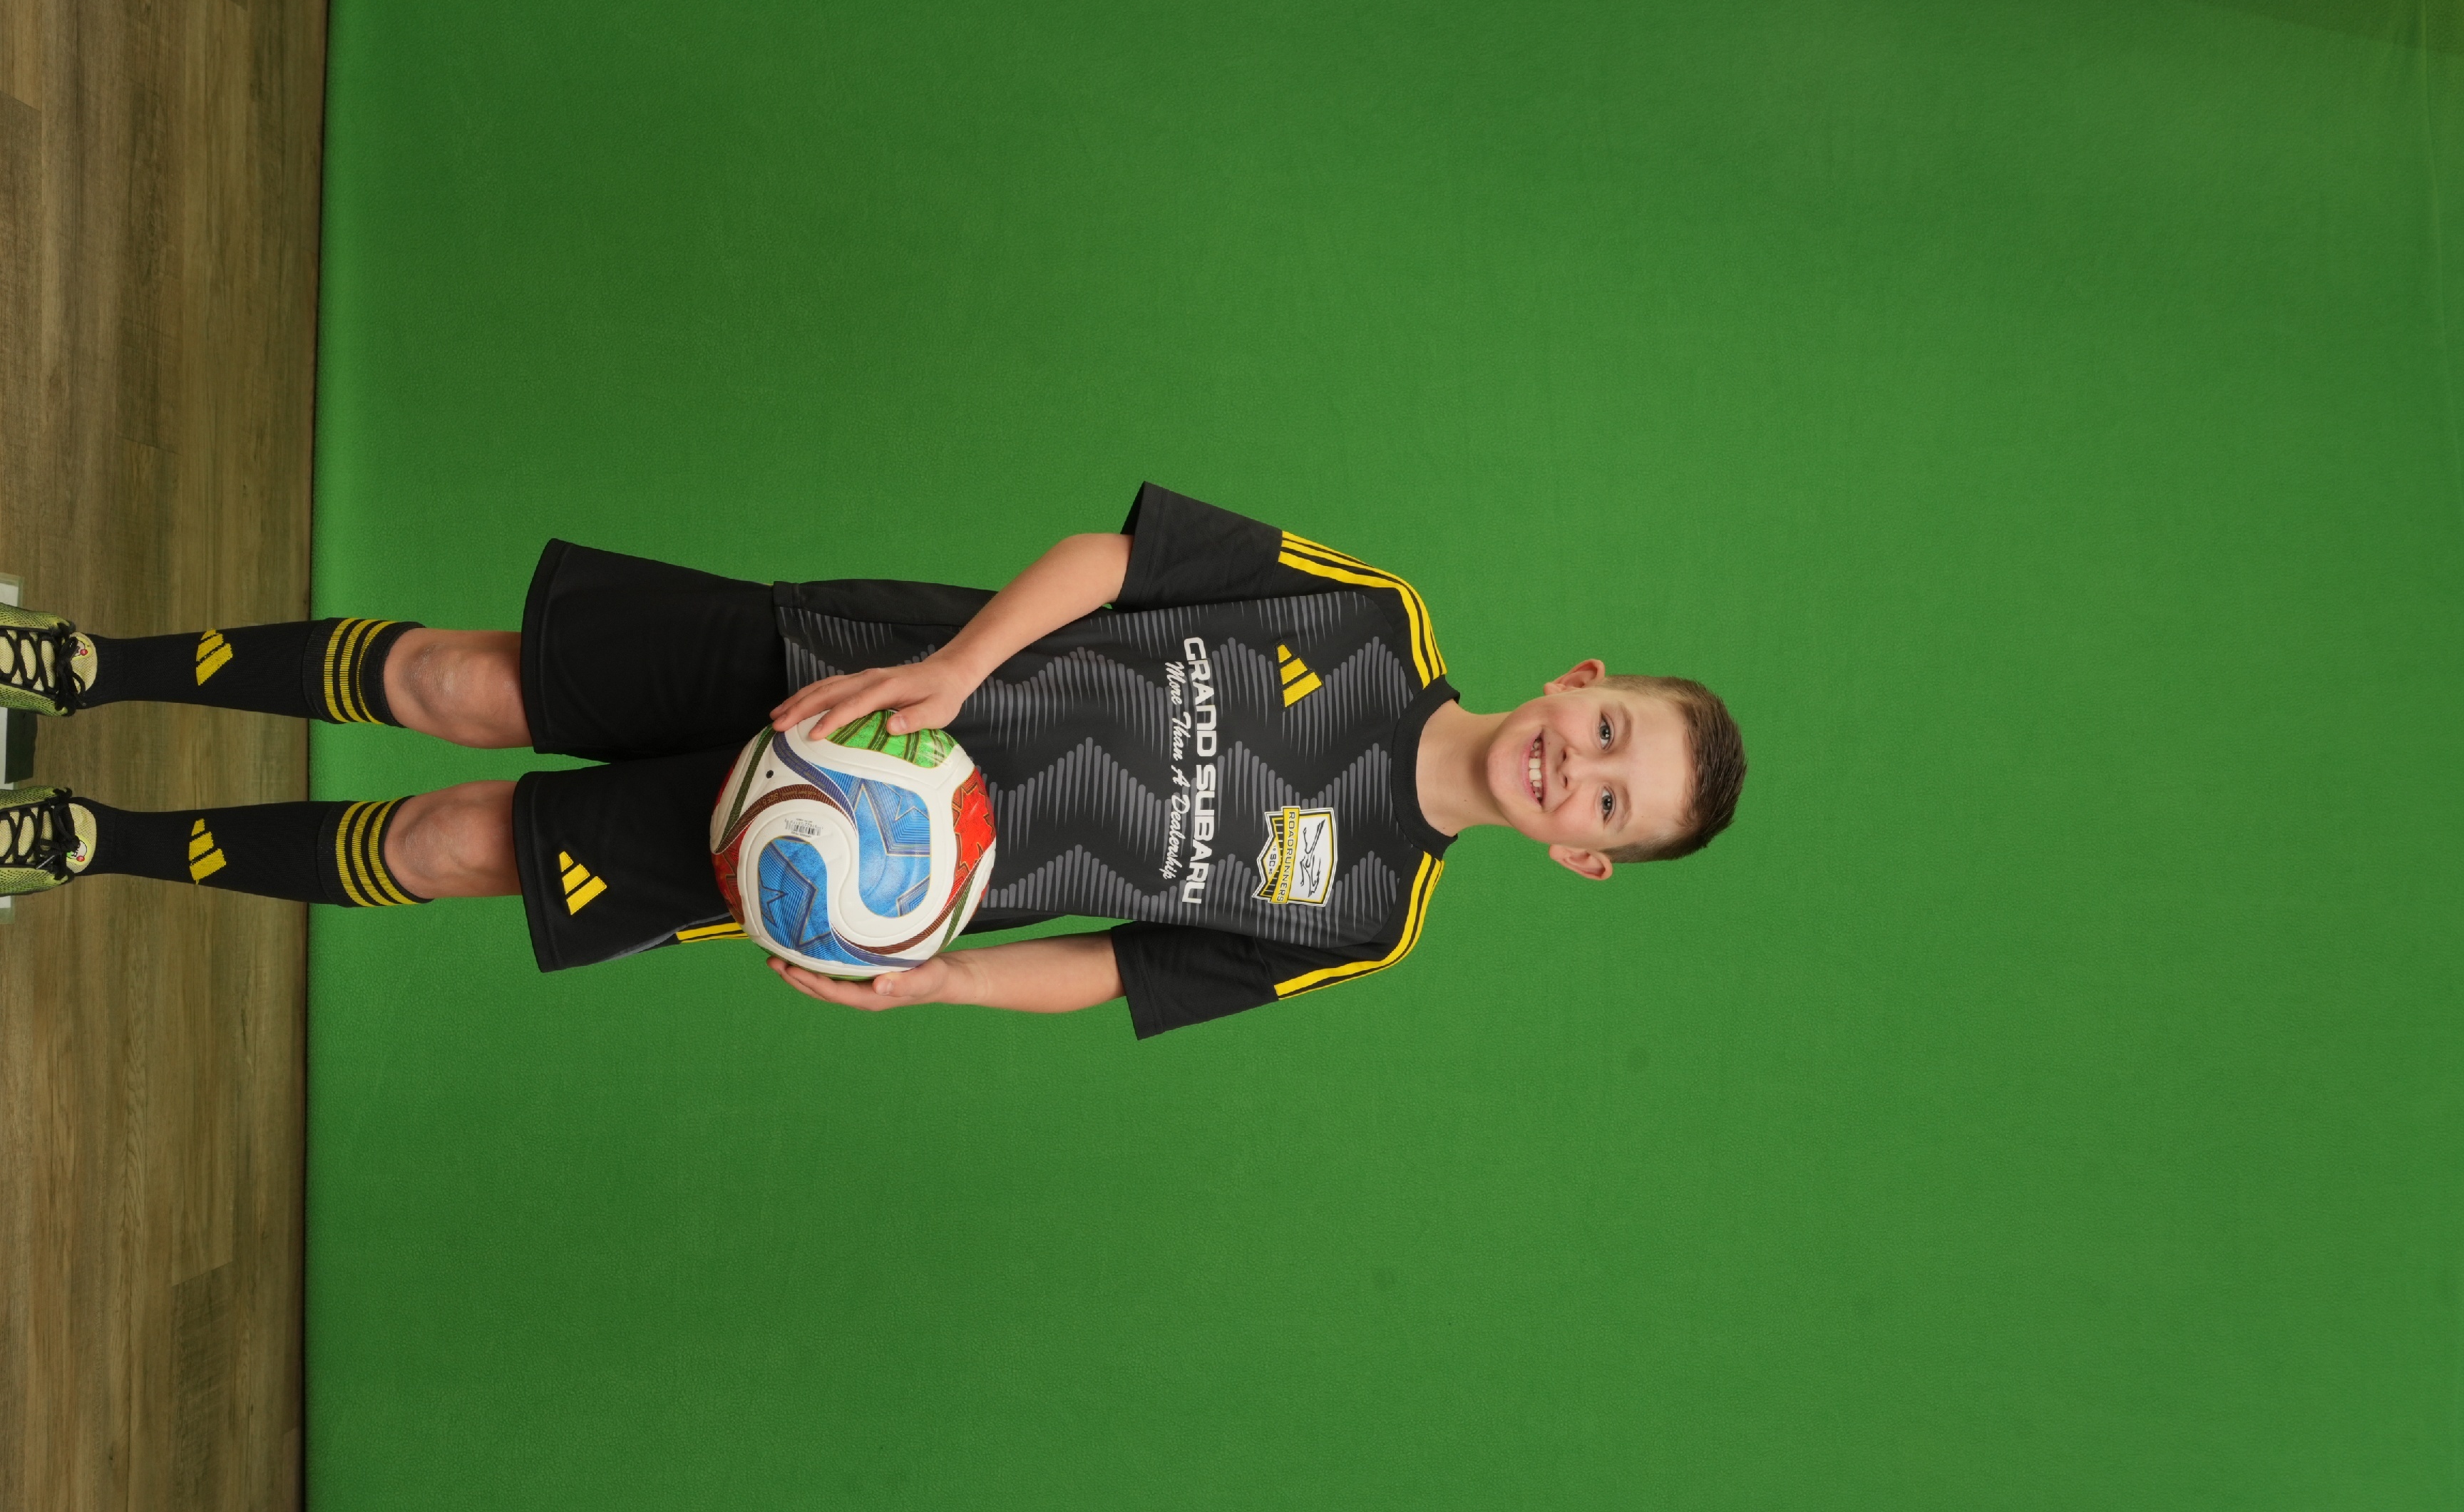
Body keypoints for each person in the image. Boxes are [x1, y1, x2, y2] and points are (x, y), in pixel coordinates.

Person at [0, 485, 1745, 1036]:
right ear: (1582, 680)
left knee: (456, 846)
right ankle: (84, 668)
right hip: (830, 668)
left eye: (1610, 801)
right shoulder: (1370, 619)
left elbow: (1121, 972)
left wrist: (934, 982)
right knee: (462, 679)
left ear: (1584, 855)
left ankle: (86, 837)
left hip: (842, 859)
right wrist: (955, 665)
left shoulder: (1366, 919)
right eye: (1609, 732)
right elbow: (1121, 561)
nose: (1574, 768)